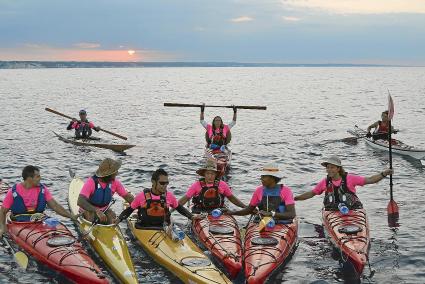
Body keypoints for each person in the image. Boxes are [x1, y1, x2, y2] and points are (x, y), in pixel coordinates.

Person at [0, 166, 78, 238]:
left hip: (39, 220)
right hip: (19, 222)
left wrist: (71, 216)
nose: (40, 178)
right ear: (29, 178)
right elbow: (3, 211)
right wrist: (2, 227)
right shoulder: (13, 192)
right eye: (37, 176)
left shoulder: (43, 189)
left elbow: (55, 206)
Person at [294, 156, 393, 210]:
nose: (329, 170)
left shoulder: (350, 178)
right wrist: (295, 198)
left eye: (332, 167)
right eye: (327, 167)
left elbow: (370, 180)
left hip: (353, 209)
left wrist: (384, 173)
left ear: (338, 168)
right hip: (332, 211)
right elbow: (312, 193)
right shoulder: (325, 182)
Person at [117, 169, 200, 227]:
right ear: (153, 182)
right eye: (162, 183)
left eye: (167, 183)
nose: (165, 186)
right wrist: (119, 219)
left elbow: (179, 208)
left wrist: (191, 217)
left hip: (163, 228)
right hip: (144, 228)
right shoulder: (142, 196)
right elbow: (129, 210)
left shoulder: (169, 196)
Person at [226, 163, 296, 222]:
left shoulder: (286, 191)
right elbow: (249, 210)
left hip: (282, 223)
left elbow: (292, 214)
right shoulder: (259, 190)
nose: (261, 179)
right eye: (261, 176)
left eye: (264, 176)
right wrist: (232, 213)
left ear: (272, 178)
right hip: (263, 222)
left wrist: (271, 214)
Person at [77, 158, 134, 224]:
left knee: (112, 217)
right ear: (108, 175)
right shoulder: (91, 182)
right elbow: (80, 201)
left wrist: (139, 206)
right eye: (115, 171)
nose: (117, 173)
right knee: (92, 217)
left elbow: (128, 197)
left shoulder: (115, 183)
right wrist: (97, 211)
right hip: (89, 210)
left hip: (104, 210)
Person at [178, 158, 246, 213]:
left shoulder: (222, 184)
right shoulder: (196, 185)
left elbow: (232, 198)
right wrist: (172, 209)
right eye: (208, 173)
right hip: (199, 211)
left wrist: (245, 207)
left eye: (212, 174)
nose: (210, 176)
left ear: (216, 174)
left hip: (218, 211)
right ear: (204, 174)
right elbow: (185, 198)